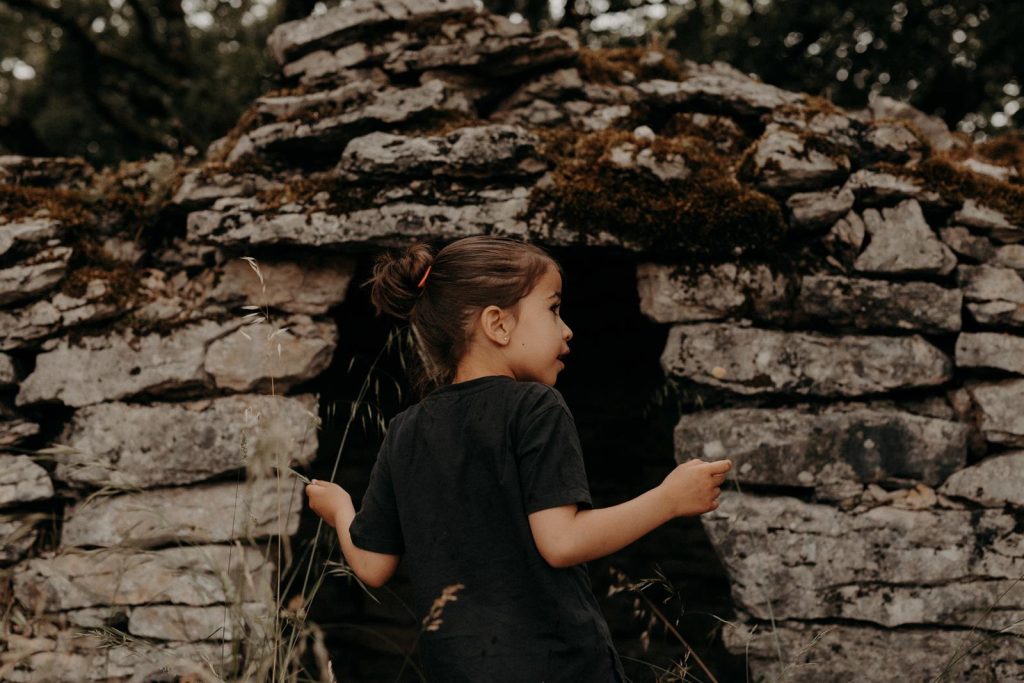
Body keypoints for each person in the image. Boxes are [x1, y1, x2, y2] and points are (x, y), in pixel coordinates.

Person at [304, 235, 732, 682]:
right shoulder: (534, 406)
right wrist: (669, 498)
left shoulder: (405, 430)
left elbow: (373, 567)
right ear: (498, 324)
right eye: (553, 308)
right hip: (558, 667)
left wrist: (339, 510)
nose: (567, 330)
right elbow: (562, 542)